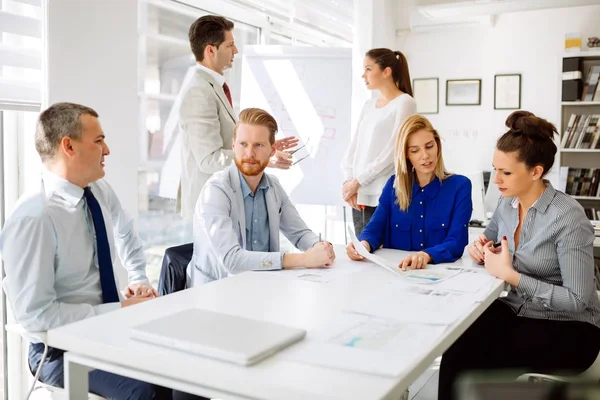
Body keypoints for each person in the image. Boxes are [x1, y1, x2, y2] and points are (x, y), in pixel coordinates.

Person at [0, 103, 204, 400]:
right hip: (59, 351)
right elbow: (38, 317)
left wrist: (138, 278)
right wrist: (118, 311)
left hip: (109, 329)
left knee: (192, 371)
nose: (106, 150)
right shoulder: (34, 218)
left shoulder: (97, 190)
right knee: (148, 392)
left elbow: (125, 232)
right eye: (98, 141)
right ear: (68, 146)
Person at [439, 111, 600, 400]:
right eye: (495, 169)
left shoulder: (568, 218)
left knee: (477, 361)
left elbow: (578, 300)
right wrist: (481, 248)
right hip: (517, 310)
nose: (497, 180)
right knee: (455, 346)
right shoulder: (506, 202)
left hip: (570, 326)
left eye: (506, 172)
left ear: (536, 171)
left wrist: (511, 276)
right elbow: (488, 237)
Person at [188, 107, 335, 285]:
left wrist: (320, 247)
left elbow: (300, 233)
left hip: (264, 287)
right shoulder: (216, 190)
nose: (249, 153)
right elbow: (231, 260)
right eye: (243, 144)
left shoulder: (273, 186)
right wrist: (303, 259)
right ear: (233, 146)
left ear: (272, 150)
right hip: (217, 292)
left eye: (258, 145)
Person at [178, 15, 298, 219]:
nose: (236, 51)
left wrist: (262, 146)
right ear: (210, 50)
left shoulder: (214, 86)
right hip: (209, 209)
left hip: (222, 203)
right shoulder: (199, 92)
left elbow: (227, 143)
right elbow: (209, 159)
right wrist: (261, 158)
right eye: (230, 45)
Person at [346, 114, 472, 269]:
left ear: (437, 145)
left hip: (440, 275)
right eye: (415, 150)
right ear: (406, 154)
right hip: (397, 274)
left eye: (429, 146)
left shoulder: (460, 186)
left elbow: (457, 240)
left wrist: (427, 255)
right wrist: (362, 245)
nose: (425, 156)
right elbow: (375, 228)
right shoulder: (393, 185)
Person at [341, 48, 417, 235]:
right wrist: (348, 181)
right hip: (359, 191)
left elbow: (393, 151)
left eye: (368, 69)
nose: (363, 75)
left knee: (380, 252)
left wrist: (358, 181)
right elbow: (354, 146)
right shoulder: (368, 105)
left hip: (381, 191)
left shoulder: (405, 102)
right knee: (361, 252)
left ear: (386, 71)